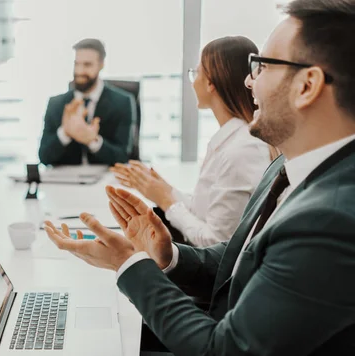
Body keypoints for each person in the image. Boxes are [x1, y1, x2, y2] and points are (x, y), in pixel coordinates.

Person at [45, 0, 355, 356]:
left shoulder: (332, 218)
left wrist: (130, 264)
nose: (248, 82)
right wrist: (165, 254)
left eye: (261, 67)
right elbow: (242, 260)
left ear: (307, 85)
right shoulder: (287, 170)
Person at [111, 36, 275, 247]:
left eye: (196, 72)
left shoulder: (241, 150)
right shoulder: (230, 140)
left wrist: (167, 202)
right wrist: (165, 190)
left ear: (210, 83)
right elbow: (204, 212)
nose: (193, 80)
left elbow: (215, 243)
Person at [38, 38, 136, 166]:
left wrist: (92, 140)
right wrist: (65, 133)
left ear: (101, 65)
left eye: (87, 64)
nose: (79, 71)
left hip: (104, 180)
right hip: (64, 182)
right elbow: (44, 157)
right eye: (76, 64)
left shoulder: (122, 102)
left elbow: (122, 157)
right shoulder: (56, 104)